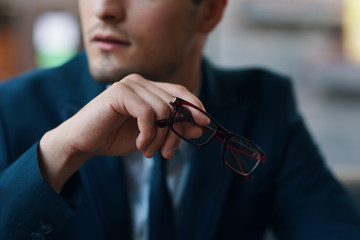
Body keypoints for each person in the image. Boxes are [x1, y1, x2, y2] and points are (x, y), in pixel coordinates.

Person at [1, 0, 360, 239]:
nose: (104, 9)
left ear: (210, 11)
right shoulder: (11, 108)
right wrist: (61, 151)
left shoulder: (265, 104)